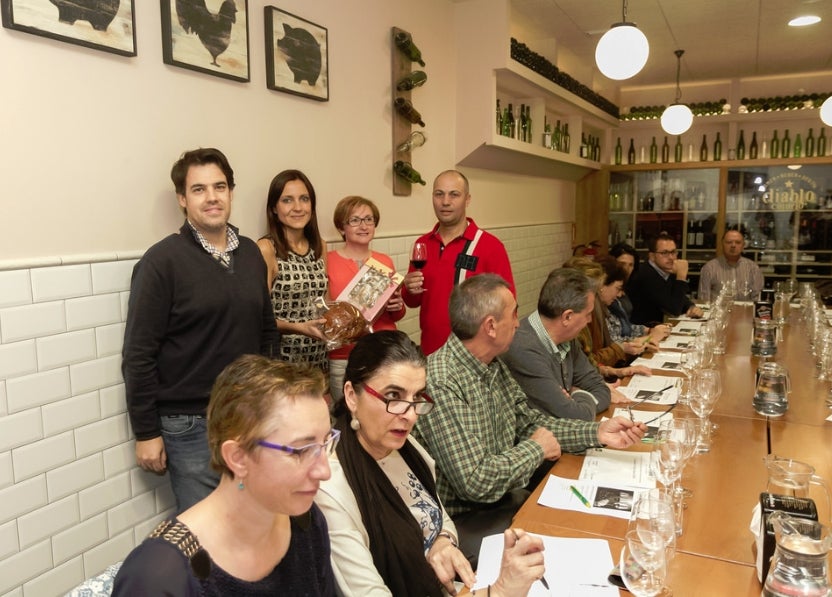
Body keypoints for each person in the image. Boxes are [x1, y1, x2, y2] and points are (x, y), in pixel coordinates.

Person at [316, 331, 544, 597]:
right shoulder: (332, 488)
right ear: (352, 396)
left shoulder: (403, 446)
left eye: (417, 398)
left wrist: (442, 542)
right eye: (393, 395)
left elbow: (437, 513)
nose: (410, 415)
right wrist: (500, 592)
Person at [413, 274, 646, 521]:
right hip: (465, 520)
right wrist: (536, 449)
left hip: (503, 499)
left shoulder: (492, 365)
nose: (517, 324)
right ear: (490, 326)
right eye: (514, 314)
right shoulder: (441, 382)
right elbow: (476, 482)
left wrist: (597, 433)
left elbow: (529, 424)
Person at [122, 148, 278, 514]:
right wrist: (146, 433)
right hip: (190, 426)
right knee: (209, 531)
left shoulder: (252, 255)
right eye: (199, 189)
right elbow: (139, 354)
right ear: (182, 199)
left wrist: (273, 398)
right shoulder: (162, 262)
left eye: (220, 187)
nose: (212, 197)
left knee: (253, 518)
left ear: (231, 192)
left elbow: (267, 331)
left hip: (249, 413)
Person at [113, 355, 336, 595]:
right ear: (238, 457)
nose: (325, 471)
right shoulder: (158, 576)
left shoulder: (306, 522)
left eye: (326, 443)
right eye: (302, 451)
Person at [402, 170, 515, 355]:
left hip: (474, 356)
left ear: (467, 200)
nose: (445, 202)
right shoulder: (422, 244)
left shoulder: (490, 246)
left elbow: (509, 306)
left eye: (454, 194)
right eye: (439, 194)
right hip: (431, 351)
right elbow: (412, 301)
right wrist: (408, 288)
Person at [500, 268, 612, 422]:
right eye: (587, 314)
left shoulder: (568, 338)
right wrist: (579, 395)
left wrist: (575, 397)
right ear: (567, 317)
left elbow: (601, 388)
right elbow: (574, 416)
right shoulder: (522, 349)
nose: (590, 320)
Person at [326, 196, 405, 403]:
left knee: (385, 412)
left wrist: (398, 305)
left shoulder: (384, 261)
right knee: (345, 414)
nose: (363, 226)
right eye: (355, 220)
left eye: (369, 219)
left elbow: (395, 313)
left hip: (384, 352)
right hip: (344, 356)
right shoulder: (327, 261)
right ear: (342, 228)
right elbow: (325, 313)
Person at [258, 170, 329, 372]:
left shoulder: (320, 246)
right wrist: (299, 328)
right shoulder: (266, 248)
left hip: (319, 357)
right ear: (274, 208)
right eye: (287, 200)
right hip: (282, 362)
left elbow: (325, 304)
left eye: (304, 199)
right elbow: (259, 316)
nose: (298, 207)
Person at [565, 257, 653, 380]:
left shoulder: (595, 310)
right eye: (596, 290)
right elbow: (584, 367)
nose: (619, 295)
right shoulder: (575, 319)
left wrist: (615, 372)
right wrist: (621, 350)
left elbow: (589, 364)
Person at [626, 233, 704, 325]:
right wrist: (681, 277)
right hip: (640, 331)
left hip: (656, 327)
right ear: (652, 256)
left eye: (673, 252)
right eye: (664, 253)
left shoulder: (665, 269)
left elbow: (677, 298)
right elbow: (673, 309)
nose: (671, 257)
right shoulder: (645, 275)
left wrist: (691, 307)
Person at [598, 258, 671, 346]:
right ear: (602, 285)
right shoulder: (596, 310)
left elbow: (626, 328)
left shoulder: (612, 304)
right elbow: (615, 345)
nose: (619, 295)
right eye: (617, 288)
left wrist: (650, 330)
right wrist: (649, 338)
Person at [698, 229, 764, 301]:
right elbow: (703, 299)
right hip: (718, 311)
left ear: (743, 245)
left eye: (738, 242)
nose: (733, 245)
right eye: (729, 242)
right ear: (722, 244)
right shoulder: (709, 268)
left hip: (745, 311)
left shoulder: (753, 268)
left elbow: (757, 298)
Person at [609, 242, 640, 319]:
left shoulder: (633, 285)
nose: (626, 269)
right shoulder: (607, 286)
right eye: (622, 264)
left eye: (630, 265)